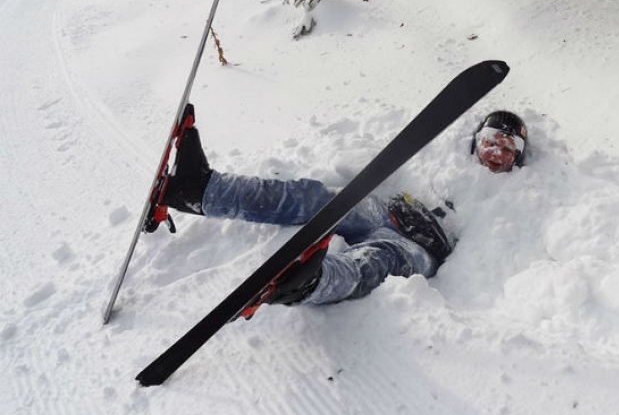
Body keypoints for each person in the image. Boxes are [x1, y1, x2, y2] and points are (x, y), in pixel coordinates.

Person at [162, 109, 529, 312]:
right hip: (387, 211)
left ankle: (312, 283)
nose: (496, 151)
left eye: (508, 146)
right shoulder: (444, 164)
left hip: (421, 251)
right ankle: (202, 190)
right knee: (314, 198)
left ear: (520, 155)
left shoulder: (516, 198)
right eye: (490, 141)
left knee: (376, 260)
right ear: (475, 141)